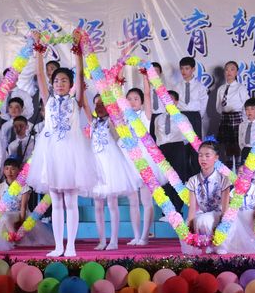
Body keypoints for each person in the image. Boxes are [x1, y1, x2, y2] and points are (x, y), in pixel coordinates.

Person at [27, 44, 99, 257]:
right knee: (56, 202)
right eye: (56, 80)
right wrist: (39, 52)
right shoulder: (47, 99)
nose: (59, 84)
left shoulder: (76, 100)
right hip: (51, 154)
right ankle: (58, 246)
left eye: (64, 80)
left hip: (71, 154)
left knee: (70, 202)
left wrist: (78, 54)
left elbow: (81, 74)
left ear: (71, 84)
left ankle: (71, 246)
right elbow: (40, 74)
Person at [88, 94, 142, 251]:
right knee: (98, 206)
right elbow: (84, 106)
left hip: (110, 166)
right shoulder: (93, 123)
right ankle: (101, 240)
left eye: (102, 104)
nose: (99, 107)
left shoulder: (113, 121)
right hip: (96, 165)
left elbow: (118, 135)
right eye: (96, 104)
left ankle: (113, 241)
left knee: (112, 204)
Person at [124, 87, 163, 244]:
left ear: (141, 102)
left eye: (136, 99)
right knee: (133, 202)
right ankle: (136, 235)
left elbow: (147, 94)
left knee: (146, 201)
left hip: (145, 159)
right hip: (128, 159)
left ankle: (145, 236)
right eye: (129, 99)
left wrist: (146, 79)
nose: (132, 102)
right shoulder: (124, 117)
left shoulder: (145, 115)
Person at [182, 141, 230, 255]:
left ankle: (218, 244)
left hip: (218, 214)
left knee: (205, 220)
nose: (203, 159)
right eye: (200, 155)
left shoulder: (224, 179)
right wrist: (189, 227)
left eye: (207, 155)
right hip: (202, 212)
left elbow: (225, 209)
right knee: (191, 223)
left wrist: (223, 228)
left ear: (216, 158)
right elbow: (192, 208)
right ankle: (204, 244)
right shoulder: (193, 180)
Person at [0, 157, 52, 246]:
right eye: (7, 169)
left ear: (18, 171)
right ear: (4, 171)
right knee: (2, 219)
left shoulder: (24, 187)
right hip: (4, 214)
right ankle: (10, 238)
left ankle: (14, 238)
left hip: (19, 214)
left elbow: (23, 207)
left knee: (5, 217)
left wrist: (21, 222)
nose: (9, 172)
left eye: (13, 169)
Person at [218, 166, 255, 255]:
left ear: (251, 175)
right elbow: (229, 209)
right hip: (238, 218)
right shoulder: (233, 191)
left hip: (251, 218)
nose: (242, 175)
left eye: (245, 173)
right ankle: (225, 245)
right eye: (240, 173)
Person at [154, 90, 188, 214]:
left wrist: (179, 147)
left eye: (171, 99)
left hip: (177, 148)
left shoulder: (182, 117)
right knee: (164, 179)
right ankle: (167, 210)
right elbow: (156, 135)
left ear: (176, 102)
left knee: (177, 178)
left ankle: (178, 208)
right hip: (163, 149)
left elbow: (188, 136)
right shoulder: (158, 118)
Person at [216, 61, 249, 165]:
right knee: (226, 145)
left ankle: (238, 166)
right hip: (225, 118)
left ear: (237, 72)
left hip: (237, 117)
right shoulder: (221, 88)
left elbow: (246, 105)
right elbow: (218, 107)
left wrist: (243, 121)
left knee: (237, 144)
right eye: (226, 70)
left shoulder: (240, 88)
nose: (229, 72)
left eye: (232, 69)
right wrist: (225, 113)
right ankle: (229, 166)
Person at [238, 98, 255, 167]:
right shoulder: (242, 125)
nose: (249, 111)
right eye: (247, 109)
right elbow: (240, 139)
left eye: (252, 109)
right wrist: (243, 149)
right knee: (244, 170)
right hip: (245, 150)